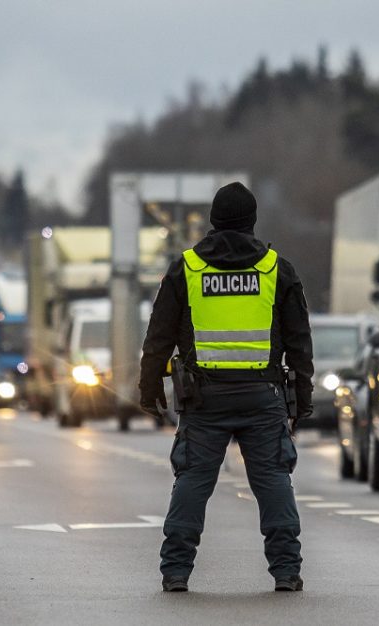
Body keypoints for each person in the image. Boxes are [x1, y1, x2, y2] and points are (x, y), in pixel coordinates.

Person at [139, 181, 314, 593]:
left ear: (213, 222)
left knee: (192, 484)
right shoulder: (276, 269)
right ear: (252, 221)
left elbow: (158, 337)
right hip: (262, 396)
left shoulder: (187, 268)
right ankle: (287, 572)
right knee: (273, 482)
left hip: (204, 399)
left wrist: (149, 391)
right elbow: (299, 341)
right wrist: (300, 401)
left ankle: (175, 572)